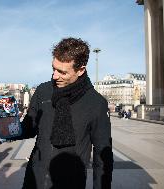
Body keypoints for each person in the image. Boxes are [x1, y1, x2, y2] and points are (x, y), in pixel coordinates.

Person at [17, 38, 113, 189]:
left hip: (71, 182)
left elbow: (103, 155)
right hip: (36, 177)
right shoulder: (43, 91)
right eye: (53, 68)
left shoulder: (96, 103)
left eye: (62, 72)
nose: (55, 76)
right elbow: (29, 128)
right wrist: (9, 127)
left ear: (80, 70)